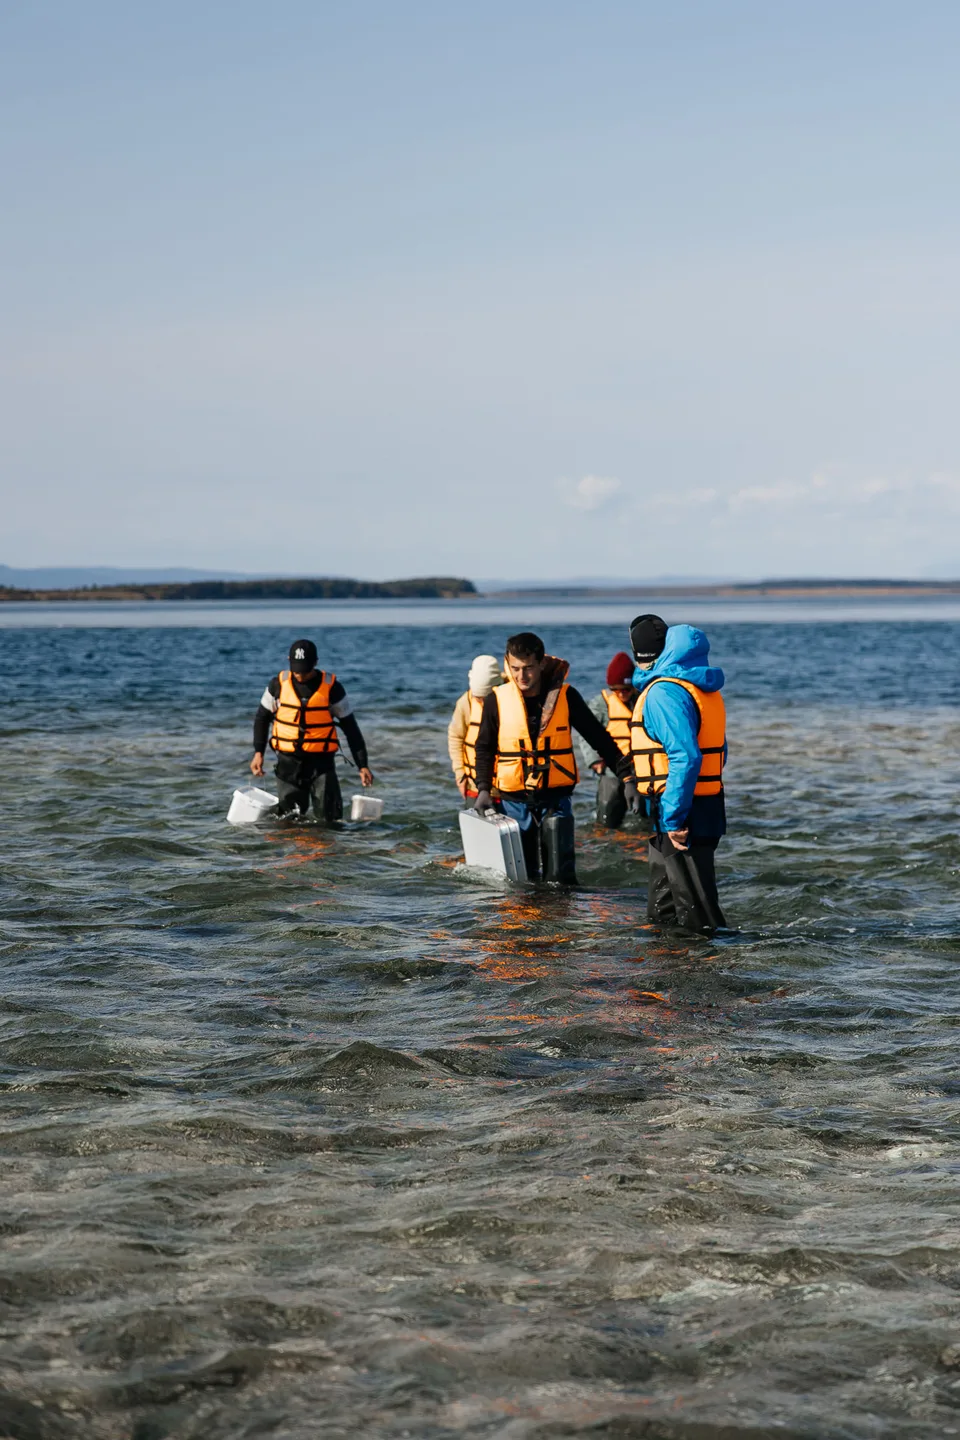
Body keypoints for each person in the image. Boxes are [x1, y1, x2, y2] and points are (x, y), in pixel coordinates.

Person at [472, 631, 637, 882]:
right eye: (515, 668)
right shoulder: (497, 699)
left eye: (528, 668)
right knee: (521, 879)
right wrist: (483, 788)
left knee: (560, 879)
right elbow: (484, 747)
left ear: (541, 663)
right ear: (508, 663)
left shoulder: (566, 696)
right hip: (513, 801)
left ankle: (559, 918)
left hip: (555, 799)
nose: (521, 676)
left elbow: (600, 739)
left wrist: (627, 777)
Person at [626, 614, 727, 933]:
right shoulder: (702, 689)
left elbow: (686, 757)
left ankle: (723, 979)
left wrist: (674, 820)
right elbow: (721, 753)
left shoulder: (663, 693)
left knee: (699, 919)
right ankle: (666, 976)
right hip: (685, 809)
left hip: (683, 818)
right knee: (663, 913)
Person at [250, 638, 373, 821]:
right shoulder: (277, 685)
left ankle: (327, 849)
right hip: (288, 762)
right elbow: (262, 718)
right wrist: (258, 752)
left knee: (330, 820)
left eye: (305, 670)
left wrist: (362, 764)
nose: (300, 675)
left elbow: (350, 727)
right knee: (287, 821)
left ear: (315, 663)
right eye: (296, 669)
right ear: (289, 661)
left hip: (321, 764)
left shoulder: (333, 689)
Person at [582, 651, 640, 828]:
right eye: (616, 690)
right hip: (610, 770)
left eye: (626, 690)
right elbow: (586, 734)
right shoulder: (600, 703)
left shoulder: (642, 700)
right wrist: (594, 760)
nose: (622, 694)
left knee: (645, 819)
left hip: (640, 770)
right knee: (607, 819)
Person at [447, 655, 503, 799]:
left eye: (487, 697)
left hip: (509, 790)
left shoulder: (511, 698)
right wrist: (460, 774)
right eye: (479, 698)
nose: (483, 703)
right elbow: (455, 737)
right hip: (474, 786)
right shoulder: (465, 703)